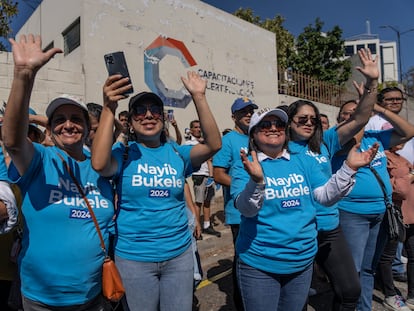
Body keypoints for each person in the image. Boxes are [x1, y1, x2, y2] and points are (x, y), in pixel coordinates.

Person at [2, 34, 115, 310]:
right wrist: (23, 75)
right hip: (42, 299)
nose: (69, 125)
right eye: (59, 120)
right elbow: (14, 141)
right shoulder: (40, 158)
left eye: (76, 119)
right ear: (50, 130)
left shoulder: (100, 166)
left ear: (88, 130)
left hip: (93, 296)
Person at [91, 71, 221, 311]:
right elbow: (99, 164)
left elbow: (213, 144)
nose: (148, 115)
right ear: (130, 122)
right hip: (133, 258)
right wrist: (108, 106)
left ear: (162, 117)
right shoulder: (124, 154)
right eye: (140, 111)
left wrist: (199, 97)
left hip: (178, 256)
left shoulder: (177, 153)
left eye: (154, 110)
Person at [232, 106, 378, 311]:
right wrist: (257, 181)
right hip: (261, 264)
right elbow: (247, 209)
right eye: (265, 124)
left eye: (279, 124)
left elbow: (325, 197)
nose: (273, 128)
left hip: (302, 261)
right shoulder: (245, 164)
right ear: (253, 134)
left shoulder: (302, 160)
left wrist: (349, 169)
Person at [286, 47, 379, 311]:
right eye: (301, 119)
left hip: (329, 228)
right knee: (296, 298)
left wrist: (372, 82)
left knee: (350, 290)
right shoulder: (278, 148)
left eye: (313, 119)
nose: (308, 123)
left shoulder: (325, 142)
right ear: (289, 122)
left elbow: (360, 117)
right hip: (297, 229)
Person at [332, 98, 414, 311]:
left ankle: (364, 308)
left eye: (357, 112)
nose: (352, 117)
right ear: (338, 118)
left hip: (379, 214)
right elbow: (354, 129)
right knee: (353, 271)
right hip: (351, 215)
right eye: (347, 114)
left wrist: (377, 108)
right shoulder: (335, 140)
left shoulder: (373, 138)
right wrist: (361, 115)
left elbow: (408, 131)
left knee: (369, 269)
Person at [212, 97, 258, 311]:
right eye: (243, 112)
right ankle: (242, 304)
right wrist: (246, 187)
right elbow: (218, 174)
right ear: (234, 117)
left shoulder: (257, 137)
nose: (248, 115)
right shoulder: (229, 140)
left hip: (260, 208)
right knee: (244, 262)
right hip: (238, 211)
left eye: (251, 111)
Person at [366, 86, 413, 284]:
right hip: (392, 186)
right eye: (390, 99)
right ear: (381, 101)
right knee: (390, 237)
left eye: (398, 99)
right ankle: (387, 273)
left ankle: (394, 267)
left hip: (407, 186)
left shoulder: (403, 123)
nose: (395, 102)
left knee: (402, 234)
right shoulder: (374, 123)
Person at [375, 144, 412, 311]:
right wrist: (409, 176)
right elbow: (398, 188)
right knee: (387, 257)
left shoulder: (401, 158)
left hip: (410, 213)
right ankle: (390, 294)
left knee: (412, 255)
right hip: (395, 214)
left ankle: (412, 295)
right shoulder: (383, 157)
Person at [186, 120, 220, 237]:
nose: (198, 129)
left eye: (200, 127)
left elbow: (211, 158)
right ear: (191, 130)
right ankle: (197, 226)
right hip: (199, 175)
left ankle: (207, 225)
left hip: (208, 174)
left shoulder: (205, 143)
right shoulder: (189, 144)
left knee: (207, 201)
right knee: (199, 201)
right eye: (195, 127)